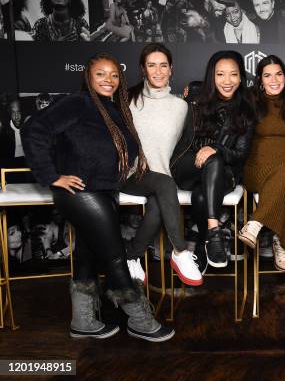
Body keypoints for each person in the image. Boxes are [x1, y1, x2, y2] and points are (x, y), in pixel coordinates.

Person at [22, 52, 174, 342]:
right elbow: (35, 128)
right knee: (115, 257)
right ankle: (140, 319)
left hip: (104, 191)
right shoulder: (77, 103)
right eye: (101, 74)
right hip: (82, 193)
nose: (109, 80)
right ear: (88, 78)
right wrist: (51, 175)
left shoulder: (114, 109)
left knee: (87, 256)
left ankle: (83, 321)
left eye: (114, 74)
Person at [120, 43, 202, 286]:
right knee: (164, 185)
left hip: (162, 180)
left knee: (159, 201)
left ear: (171, 70)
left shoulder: (182, 107)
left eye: (163, 65)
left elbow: (186, 146)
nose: (158, 71)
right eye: (151, 65)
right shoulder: (128, 100)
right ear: (143, 70)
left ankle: (131, 255)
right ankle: (180, 251)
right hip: (132, 175)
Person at [170, 51, 255, 269]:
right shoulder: (196, 95)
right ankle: (215, 235)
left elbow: (240, 154)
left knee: (201, 196)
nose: (227, 81)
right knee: (213, 160)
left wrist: (215, 148)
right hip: (187, 165)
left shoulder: (246, 108)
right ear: (212, 76)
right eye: (220, 74)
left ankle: (202, 240)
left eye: (233, 75)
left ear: (241, 77)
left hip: (223, 174)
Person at [239, 55, 285, 271]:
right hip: (257, 168)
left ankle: (257, 223)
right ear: (260, 79)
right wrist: (193, 90)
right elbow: (221, 94)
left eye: (278, 74)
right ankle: (282, 242)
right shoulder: (249, 98)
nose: (274, 80)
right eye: (267, 75)